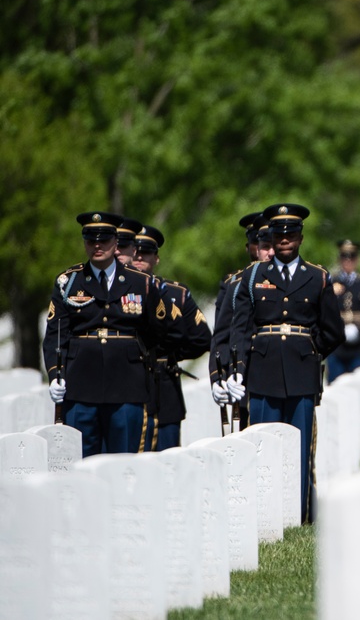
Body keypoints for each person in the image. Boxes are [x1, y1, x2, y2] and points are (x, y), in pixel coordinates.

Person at [226, 203, 345, 523]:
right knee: (262, 445)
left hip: (301, 373)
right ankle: (262, 515)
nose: (285, 239)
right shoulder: (253, 276)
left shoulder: (317, 277)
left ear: (300, 237)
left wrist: (309, 351)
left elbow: (333, 331)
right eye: (279, 233)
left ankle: (301, 514)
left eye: (291, 233)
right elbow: (240, 328)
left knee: (300, 447)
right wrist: (237, 368)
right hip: (262, 372)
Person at [42, 211, 172, 456]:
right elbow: (55, 335)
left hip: (126, 384)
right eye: (91, 240)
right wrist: (55, 374)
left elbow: (157, 331)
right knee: (82, 460)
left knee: (123, 461)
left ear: (116, 242)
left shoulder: (141, 283)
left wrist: (141, 363)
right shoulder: (69, 282)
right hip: (81, 384)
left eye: (103, 240)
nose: (97, 246)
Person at [131, 224, 212, 450]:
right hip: (128, 381)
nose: (138, 257)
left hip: (163, 385)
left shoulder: (175, 294)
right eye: (134, 251)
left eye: (145, 252)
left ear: (156, 258)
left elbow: (201, 339)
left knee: (167, 464)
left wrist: (169, 356)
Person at [209, 211, 264, 411]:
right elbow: (221, 335)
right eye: (257, 243)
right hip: (245, 375)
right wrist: (217, 377)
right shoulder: (234, 284)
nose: (262, 250)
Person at [325, 239, 360, 383]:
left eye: (352, 257)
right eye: (344, 257)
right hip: (338, 348)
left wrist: (358, 321)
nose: (348, 261)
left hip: (359, 348)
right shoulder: (331, 283)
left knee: (359, 391)